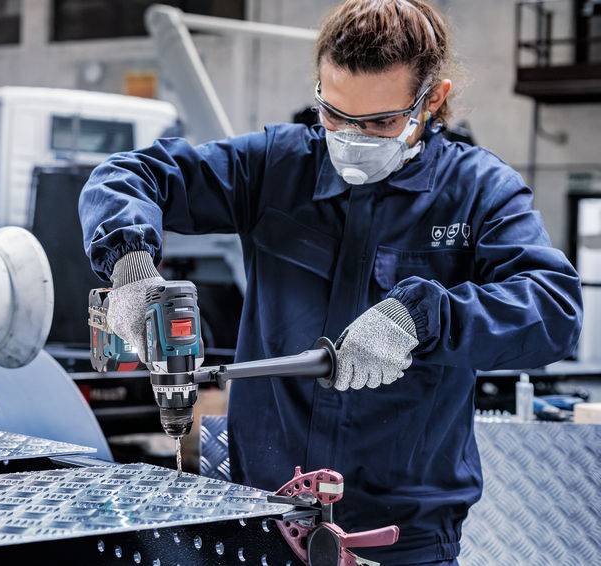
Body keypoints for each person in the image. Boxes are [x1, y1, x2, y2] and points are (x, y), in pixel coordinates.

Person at [78, 0, 583, 563]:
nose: (352, 138)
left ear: (432, 100)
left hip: (402, 540)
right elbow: (128, 176)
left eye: (380, 123)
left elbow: (554, 310)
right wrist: (130, 269)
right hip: (264, 519)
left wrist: (422, 319)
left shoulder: (478, 191)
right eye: (335, 116)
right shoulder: (275, 168)